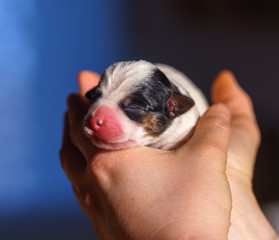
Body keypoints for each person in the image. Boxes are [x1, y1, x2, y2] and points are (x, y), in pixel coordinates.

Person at [60, 69, 279, 240]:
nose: (97, 116)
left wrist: (171, 232)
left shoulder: (186, 125)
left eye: (133, 108)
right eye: (98, 97)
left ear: (173, 108)